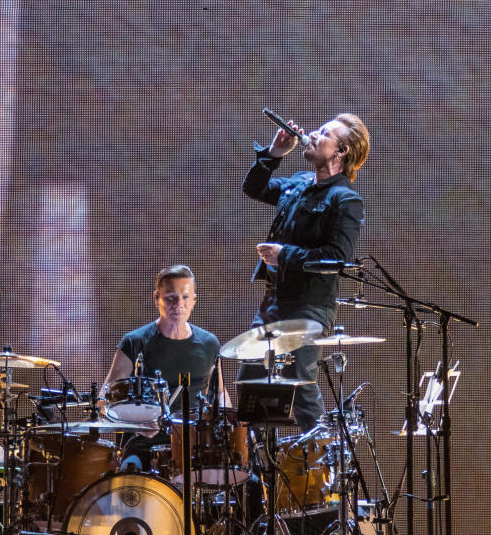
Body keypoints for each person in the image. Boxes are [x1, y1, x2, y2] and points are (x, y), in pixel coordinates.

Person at [242, 112, 369, 431]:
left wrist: (286, 255)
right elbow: (254, 188)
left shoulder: (345, 200)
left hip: (309, 306)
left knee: (297, 382)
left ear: (341, 152)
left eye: (324, 133)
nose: (312, 134)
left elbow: (338, 257)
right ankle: (259, 474)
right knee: (251, 383)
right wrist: (272, 155)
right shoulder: (298, 183)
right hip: (273, 303)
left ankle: (320, 466)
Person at [100, 264, 224, 471]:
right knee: (129, 478)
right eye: (170, 297)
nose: (179, 304)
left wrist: (227, 424)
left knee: (248, 482)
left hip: (195, 444)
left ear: (194, 300)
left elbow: (219, 393)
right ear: (156, 298)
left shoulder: (209, 343)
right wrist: (135, 424)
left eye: (185, 297)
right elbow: (105, 399)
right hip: (145, 442)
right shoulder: (134, 341)